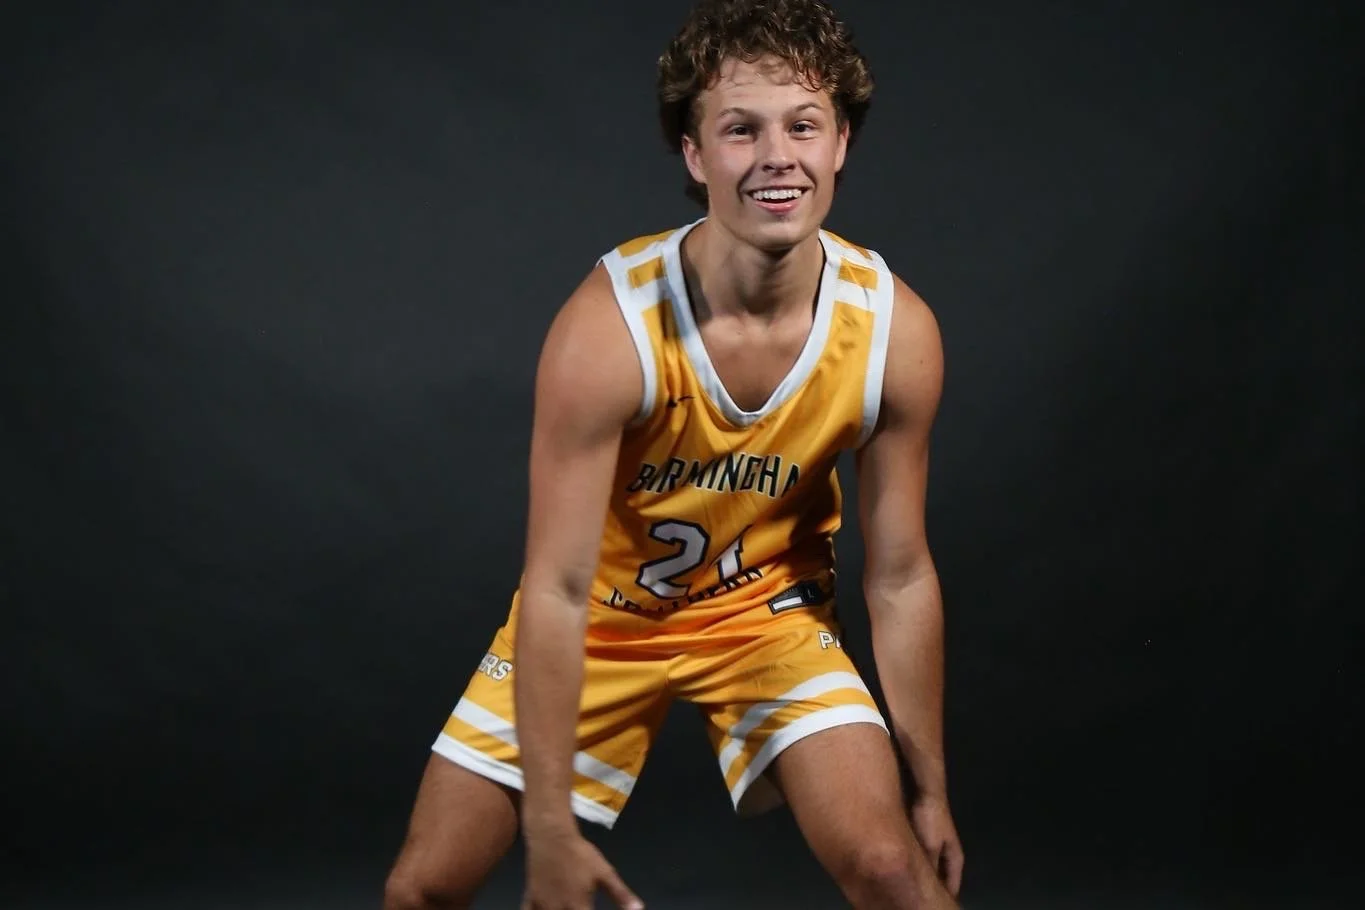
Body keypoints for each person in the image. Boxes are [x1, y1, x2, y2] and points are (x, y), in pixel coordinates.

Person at [383, 1, 963, 907]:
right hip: (603, 616)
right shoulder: (608, 328)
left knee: (893, 869)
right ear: (695, 155)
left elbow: (898, 575)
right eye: (740, 129)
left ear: (839, 142)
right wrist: (550, 832)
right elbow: (556, 586)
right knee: (421, 890)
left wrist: (929, 790)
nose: (777, 155)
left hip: (765, 616)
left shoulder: (894, 331)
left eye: (802, 125)